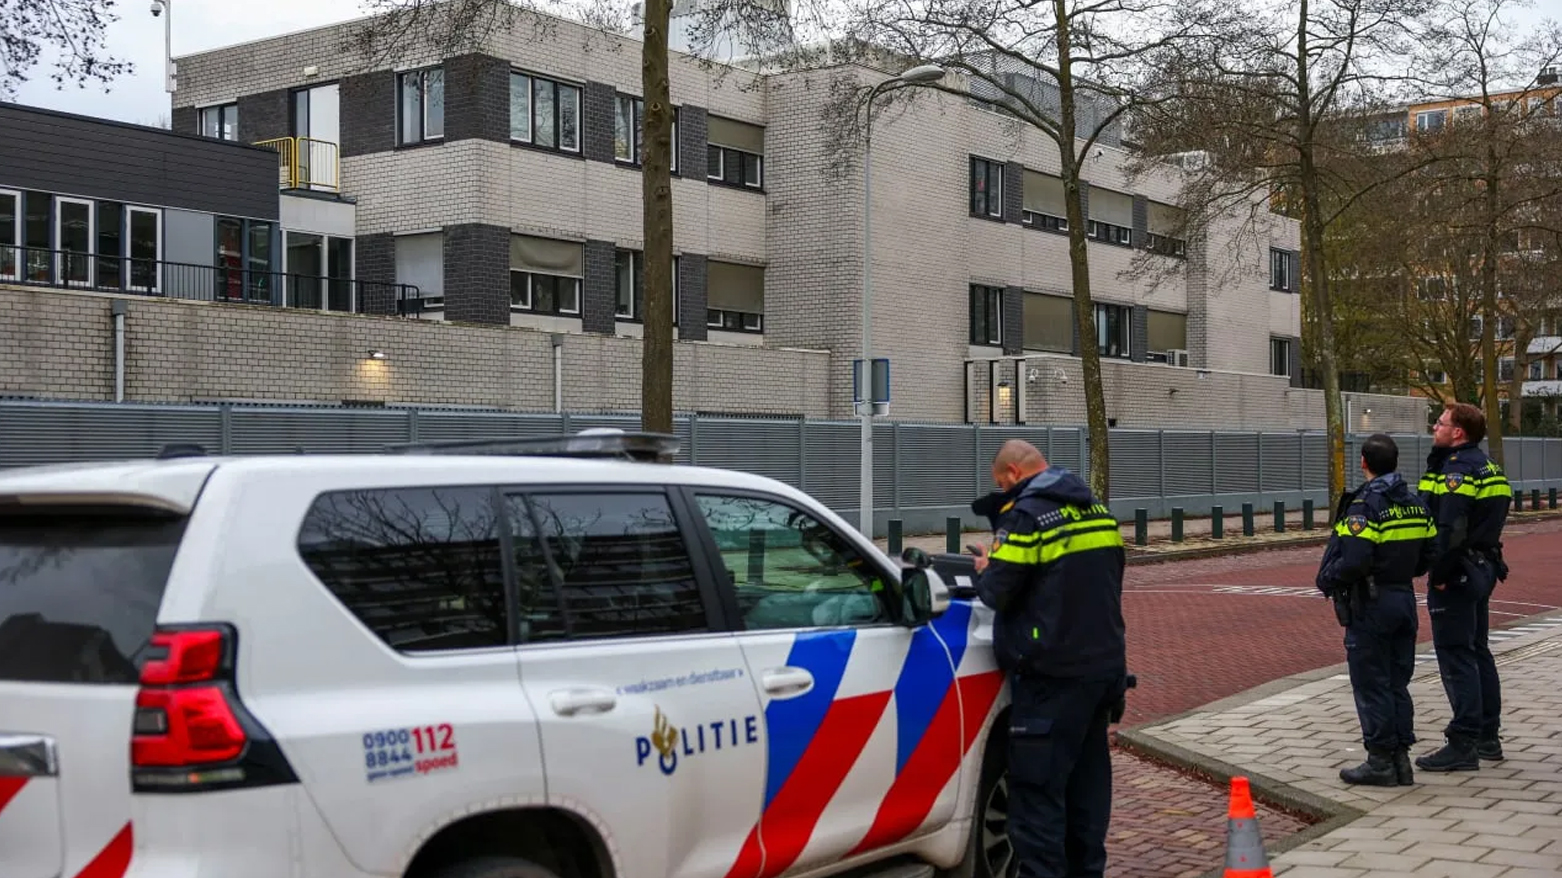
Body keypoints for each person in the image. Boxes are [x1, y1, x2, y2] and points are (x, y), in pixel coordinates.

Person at [969, 440, 1127, 878]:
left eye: (1003, 486)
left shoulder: (1026, 516)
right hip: (1102, 673)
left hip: (1050, 679)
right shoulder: (1097, 511)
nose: (1004, 495)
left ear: (1014, 475)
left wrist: (988, 566)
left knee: (1037, 807)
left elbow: (998, 591)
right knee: (1086, 801)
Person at [1315, 434, 1436, 786]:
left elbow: (1354, 560)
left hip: (1371, 604)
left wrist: (1328, 578)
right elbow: (1429, 554)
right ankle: (1401, 760)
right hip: (1404, 601)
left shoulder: (1365, 505)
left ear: (1364, 462)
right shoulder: (1415, 503)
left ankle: (1380, 760)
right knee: (1398, 682)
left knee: (1371, 684)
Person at [1416, 402, 1512, 772]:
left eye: (1440, 423)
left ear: (1458, 433)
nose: (1434, 428)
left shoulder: (1457, 471)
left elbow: (1449, 530)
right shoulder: (1488, 468)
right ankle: (1488, 736)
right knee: (1477, 651)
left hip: (1457, 573)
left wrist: (1437, 572)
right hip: (1481, 569)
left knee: (1456, 655)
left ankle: (1463, 742)